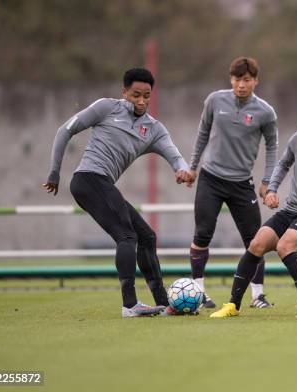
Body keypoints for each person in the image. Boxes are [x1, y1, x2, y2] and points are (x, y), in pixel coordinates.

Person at [43, 68, 194, 318]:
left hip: (103, 185)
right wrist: (54, 173)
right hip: (88, 180)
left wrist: (183, 171)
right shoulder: (106, 108)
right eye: (136, 95)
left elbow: (175, 155)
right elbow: (64, 131)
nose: (142, 101)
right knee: (127, 236)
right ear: (124, 92)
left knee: (146, 236)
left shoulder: (154, 129)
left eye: (147, 95)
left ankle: (165, 304)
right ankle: (130, 305)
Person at [210, 104, 297, 318]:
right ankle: (233, 306)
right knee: (257, 243)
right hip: (291, 209)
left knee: (285, 245)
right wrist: (272, 189)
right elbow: (283, 163)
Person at [188, 57, 278, 309]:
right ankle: (198, 292)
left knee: (256, 240)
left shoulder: (265, 112)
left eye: (247, 80)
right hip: (210, 178)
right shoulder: (215, 100)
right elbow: (202, 133)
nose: (241, 85)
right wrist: (193, 167)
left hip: (242, 183)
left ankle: (257, 295)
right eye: (237, 79)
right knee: (202, 234)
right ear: (231, 79)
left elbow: (272, 147)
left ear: (255, 81)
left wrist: (267, 181)